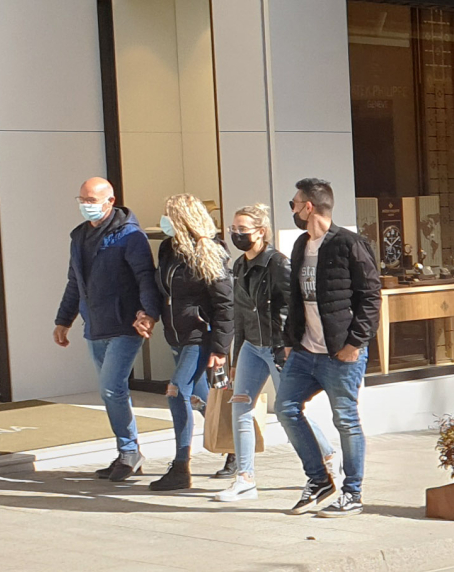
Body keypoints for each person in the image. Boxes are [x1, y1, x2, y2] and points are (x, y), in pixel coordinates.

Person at [277, 177, 381, 515]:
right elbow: (296, 299)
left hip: (341, 353)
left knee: (346, 420)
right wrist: (291, 341)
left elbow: (371, 297)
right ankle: (319, 478)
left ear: (309, 207)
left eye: (294, 204)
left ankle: (353, 493)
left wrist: (355, 343)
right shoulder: (299, 246)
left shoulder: (349, 243)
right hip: (306, 352)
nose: (291, 209)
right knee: (285, 408)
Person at [54, 178, 163, 479]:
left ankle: (129, 452)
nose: (86, 205)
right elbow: (75, 282)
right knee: (112, 393)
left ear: (110, 201)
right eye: (82, 199)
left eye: (91, 200)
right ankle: (127, 452)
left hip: (126, 325)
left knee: (111, 387)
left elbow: (145, 277)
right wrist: (64, 319)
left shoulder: (130, 236)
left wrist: (150, 313)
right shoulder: (79, 237)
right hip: (95, 326)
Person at [149, 192, 234, 492]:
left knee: (176, 393)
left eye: (169, 216)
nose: (165, 222)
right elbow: (163, 291)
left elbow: (226, 303)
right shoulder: (168, 249)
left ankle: (180, 466)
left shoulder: (208, 250)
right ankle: (235, 447)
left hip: (201, 335)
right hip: (177, 335)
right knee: (201, 400)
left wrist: (221, 349)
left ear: (183, 219)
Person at [216, 202, 291, 503]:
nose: (236, 235)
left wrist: (287, 345)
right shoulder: (239, 266)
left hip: (275, 347)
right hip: (250, 348)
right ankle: (245, 478)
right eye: (233, 229)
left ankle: (326, 461)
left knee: (290, 411)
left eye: (242, 230)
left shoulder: (279, 264)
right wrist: (235, 358)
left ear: (261, 232)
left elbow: (293, 309)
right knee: (241, 411)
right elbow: (240, 314)